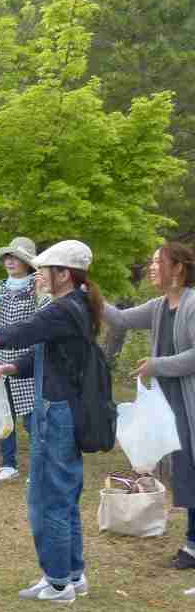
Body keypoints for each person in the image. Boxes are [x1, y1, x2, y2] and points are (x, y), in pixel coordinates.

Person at [0, 239, 101, 604]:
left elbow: (26, 330)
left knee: (50, 497)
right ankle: (72, 575)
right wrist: (12, 366)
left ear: (63, 274)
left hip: (57, 410)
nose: (39, 276)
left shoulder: (65, 308)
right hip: (60, 407)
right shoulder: (75, 305)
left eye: (44, 270)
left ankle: (58, 583)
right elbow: (46, 351)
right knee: (62, 494)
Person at [102, 242, 195, 570]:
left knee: (191, 466)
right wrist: (86, 288)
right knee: (183, 469)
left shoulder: (193, 303)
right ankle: (193, 542)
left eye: (159, 262)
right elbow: (120, 319)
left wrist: (157, 364)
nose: (152, 267)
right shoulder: (158, 306)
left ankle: (193, 545)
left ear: (178, 269)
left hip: (189, 402)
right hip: (170, 403)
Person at [0, 237, 42, 482]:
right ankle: (9, 463)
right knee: (5, 413)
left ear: (27, 262)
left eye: (15, 257)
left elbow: (45, 314)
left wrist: (41, 291)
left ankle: (40, 466)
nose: (10, 261)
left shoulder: (37, 286)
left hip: (29, 359)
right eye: (7, 257)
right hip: (3, 356)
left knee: (32, 418)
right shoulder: (0, 287)